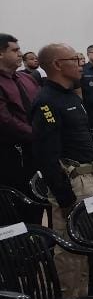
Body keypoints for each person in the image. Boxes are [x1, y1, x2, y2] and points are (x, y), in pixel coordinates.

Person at [31, 43, 93, 297]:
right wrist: (65, 198)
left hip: (90, 175)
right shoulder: (46, 101)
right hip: (72, 182)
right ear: (57, 65)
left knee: (90, 239)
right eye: (75, 59)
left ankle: (90, 295)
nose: (80, 63)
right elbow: (46, 156)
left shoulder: (71, 95)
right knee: (71, 245)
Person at [0, 33, 42, 223]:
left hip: (36, 150)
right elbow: (5, 120)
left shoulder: (27, 79)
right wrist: (37, 133)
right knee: (15, 207)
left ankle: (42, 245)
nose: (20, 54)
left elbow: (42, 105)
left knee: (37, 200)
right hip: (11, 155)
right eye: (15, 50)